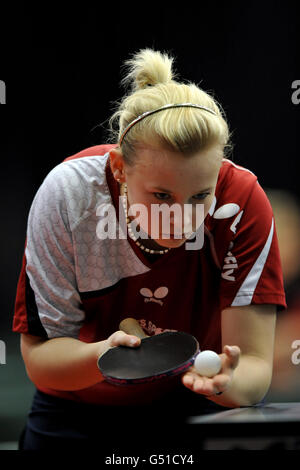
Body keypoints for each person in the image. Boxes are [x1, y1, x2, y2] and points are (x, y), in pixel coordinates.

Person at [13, 49, 286, 450]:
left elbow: (255, 368)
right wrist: (104, 357)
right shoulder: (69, 195)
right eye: (161, 195)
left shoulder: (241, 203)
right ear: (120, 168)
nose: (182, 217)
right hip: (76, 413)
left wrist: (226, 383)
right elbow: (41, 362)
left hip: (194, 407)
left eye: (199, 195)